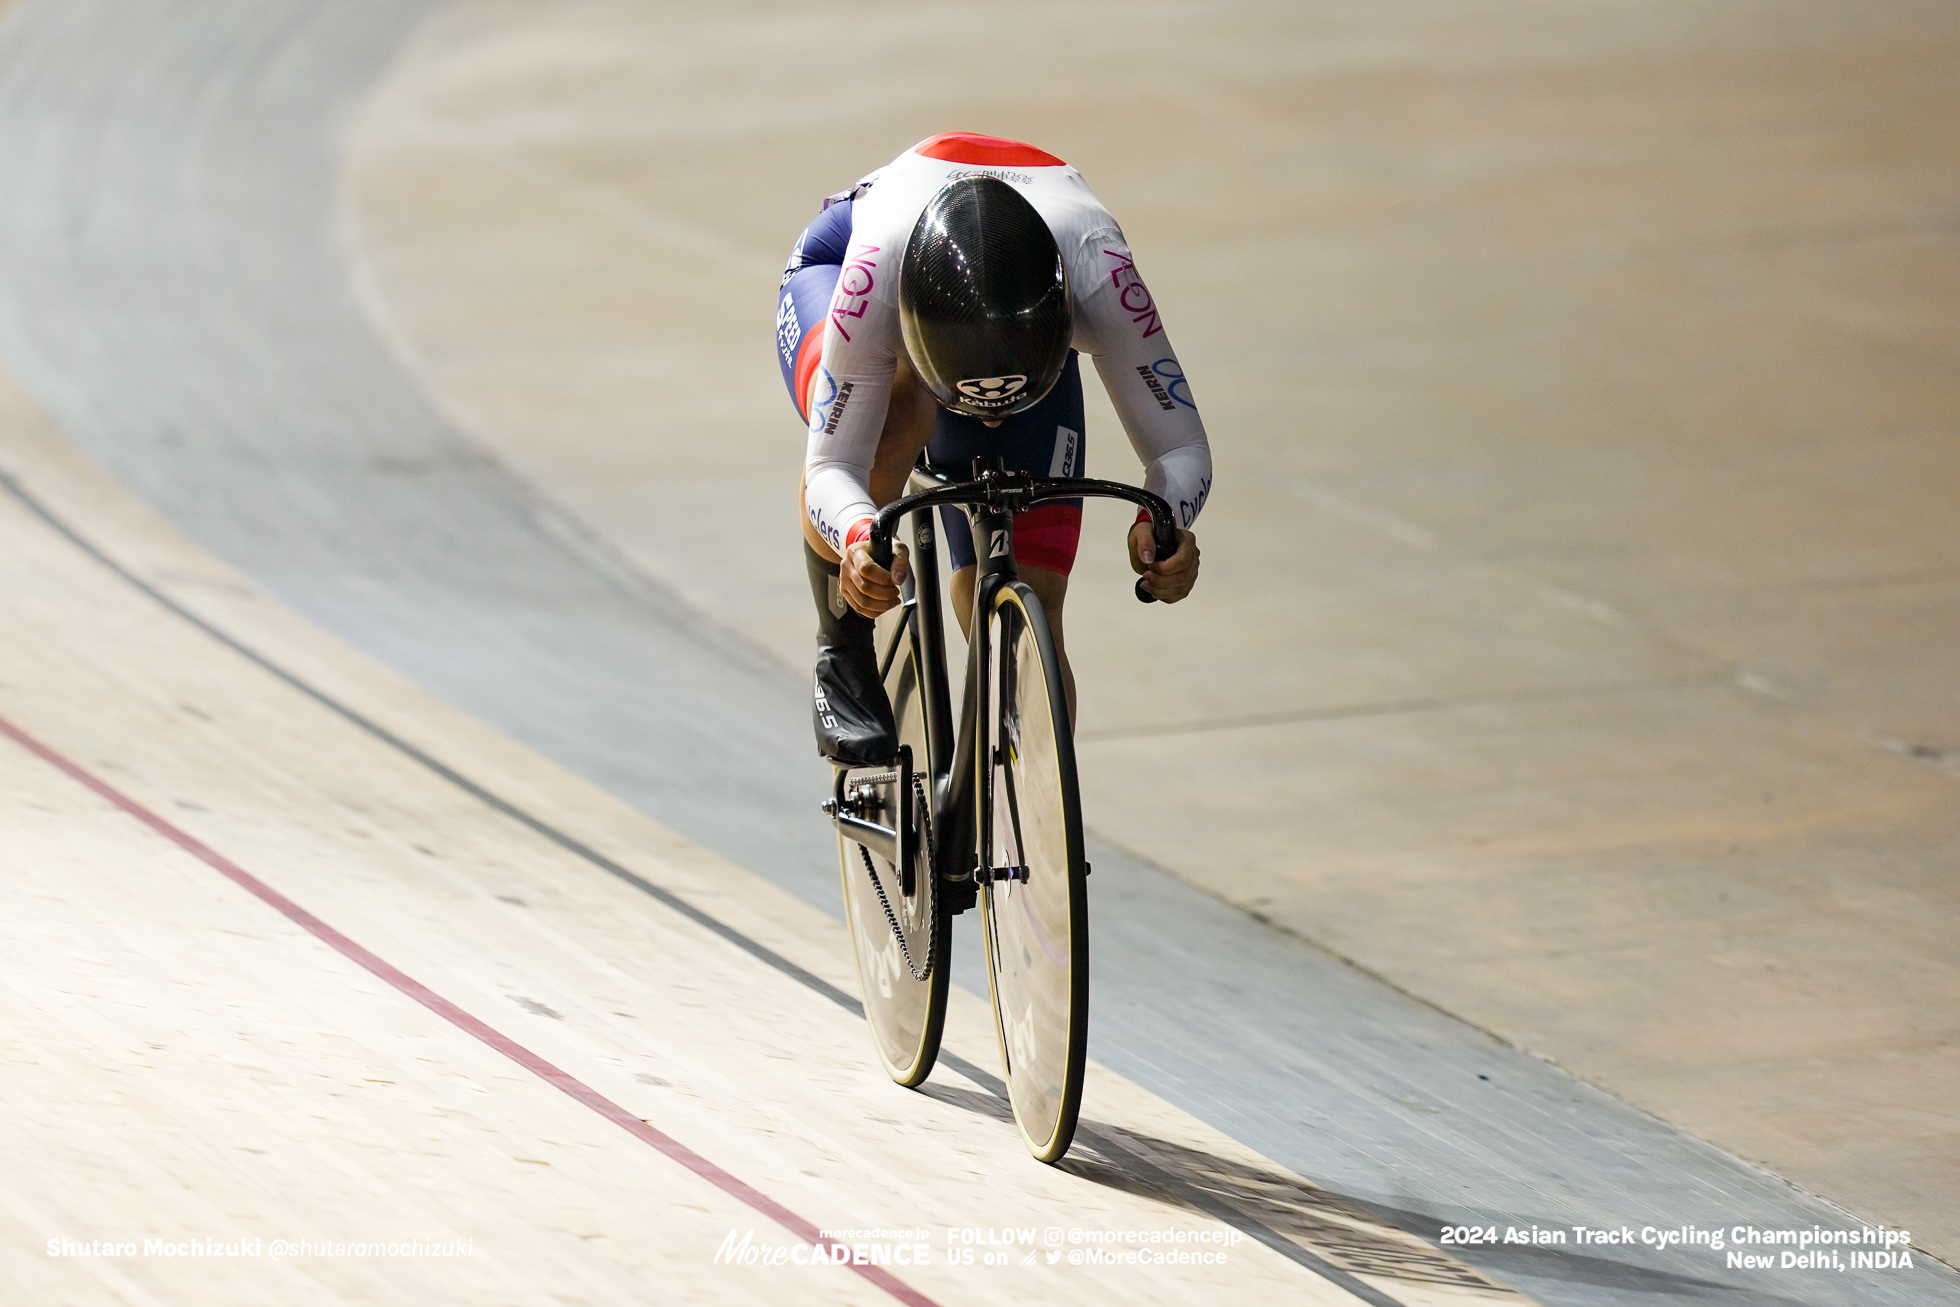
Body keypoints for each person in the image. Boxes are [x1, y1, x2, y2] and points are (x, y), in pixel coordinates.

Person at [777, 132, 1212, 765]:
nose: (986, 424)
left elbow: (1183, 447)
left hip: (1014, 323)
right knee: (899, 412)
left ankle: (1024, 832)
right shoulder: (872, 278)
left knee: (1031, 612)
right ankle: (841, 657)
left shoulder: (1100, 275)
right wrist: (856, 536)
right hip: (853, 279)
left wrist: (1163, 522)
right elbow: (831, 466)